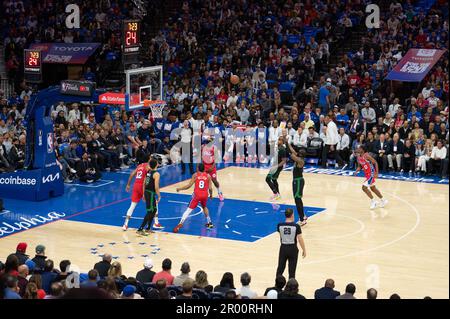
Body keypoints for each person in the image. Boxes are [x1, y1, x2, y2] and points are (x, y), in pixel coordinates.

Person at [123, 158, 163, 231]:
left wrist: (128, 185)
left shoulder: (140, 166)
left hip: (135, 186)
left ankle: (125, 224)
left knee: (132, 205)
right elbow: (149, 178)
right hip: (143, 187)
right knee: (154, 205)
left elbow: (132, 174)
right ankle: (156, 222)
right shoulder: (148, 166)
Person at [174, 163, 214, 233]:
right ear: (204, 169)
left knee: (189, 209)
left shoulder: (195, 175)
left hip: (197, 195)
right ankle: (209, 222)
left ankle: (180, 223)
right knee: (204, 206)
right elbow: (210, 188)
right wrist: (211, 195)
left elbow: (189, 186)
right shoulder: (208, 176)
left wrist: (180, 188)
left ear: (198, 168)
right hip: (205, 195)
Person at [276, 208, 306, 280]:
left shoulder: (279, 225)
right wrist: (304, 250)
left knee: (280, 268)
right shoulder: (296, 226)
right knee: (292, 271)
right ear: (292, 215)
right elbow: (300, 239)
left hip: (283, 248)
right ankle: (291, 288)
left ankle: (277, 285)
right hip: (293, 249)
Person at [354, 145, 388, 210]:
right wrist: (356, 171)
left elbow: (375, 162)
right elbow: (360, 166)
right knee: (373, 188)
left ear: (363, 150)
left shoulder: (366, 155)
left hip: (371, 173)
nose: (358, 149)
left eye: (360, 148)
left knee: (364, 188)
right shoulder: (358, 157)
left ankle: (374, 201)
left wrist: (377, 173)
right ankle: (383, 200)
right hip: (367, 174)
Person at [136, 159, 161, 236]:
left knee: (154, 210)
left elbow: (144, 183)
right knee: (150, 211)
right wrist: (159, 195)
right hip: (150, 193)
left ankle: (148, 228)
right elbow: (156, 187)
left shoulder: (148, 172)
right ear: (156, 164)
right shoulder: (156, 174)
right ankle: (140, 229)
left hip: (147, 192)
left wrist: (143, 194)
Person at [285, 139, 307, 225]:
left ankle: (302, 220)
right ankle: (303, 216)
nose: (296, 153)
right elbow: (292, 150)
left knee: (297, 200)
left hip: (298, 182)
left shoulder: (300, 161)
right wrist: (287, 142)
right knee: (298, 199)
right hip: (296, 181)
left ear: (300, 154)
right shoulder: (299, 158)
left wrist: (286, 146)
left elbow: (291, 154)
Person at [201, 137, 224, 201]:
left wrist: (212, 167)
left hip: (211, 166)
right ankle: (201, 193)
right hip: (204, 166)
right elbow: (201, 156)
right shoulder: (203, 147)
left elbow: (216, 159)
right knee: (202, 180)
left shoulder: (214, 148)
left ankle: (220, 192)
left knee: (214, 181)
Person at [266, 136, 287, 201]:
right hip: (275, 166)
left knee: (267, 179)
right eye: (278, 140)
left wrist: (277, 166)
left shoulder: (282, 149)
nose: (278, 141)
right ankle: (278, 195)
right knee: (274, 180)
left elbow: (284, 160)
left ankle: (276, 193)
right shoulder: (278, 147)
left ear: (283, 142)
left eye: (280, 140)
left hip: (277, 167)